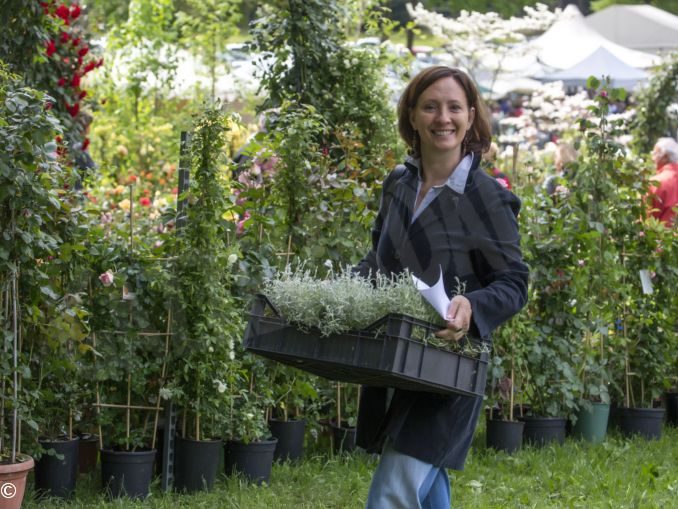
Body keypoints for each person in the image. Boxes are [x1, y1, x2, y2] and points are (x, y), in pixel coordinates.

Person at [354, 66, 529, 509]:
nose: (442, 117)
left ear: (471, 117)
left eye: (454, 107)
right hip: (394, 359)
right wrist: (330, 297)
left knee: (393, 492)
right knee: (426, 488)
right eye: (430, 106)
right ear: (412, 116)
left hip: (447, 368)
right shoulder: (399, 184)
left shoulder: (485, 196)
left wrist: (470, 306)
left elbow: (513, 283)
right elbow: (378, 263)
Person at [647, 137, 678, 226]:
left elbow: (646, 221)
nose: (652, 158)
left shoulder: (655, 183)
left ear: (665, 156)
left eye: (654, 153)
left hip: (662, 238)